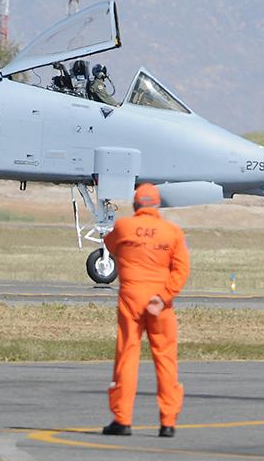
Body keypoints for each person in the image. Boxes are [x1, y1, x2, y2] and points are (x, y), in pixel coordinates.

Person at [102, 183, 190, 438]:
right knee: (165, 360)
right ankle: (168, 422)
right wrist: (163, 297)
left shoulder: (123, 227)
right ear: (158, 205)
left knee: (128, 355)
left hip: (131, 297)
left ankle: (122, 419)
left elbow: (109, 246)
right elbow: (182, 270)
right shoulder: (172, 232)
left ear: (135, 205)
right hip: (160, 302)